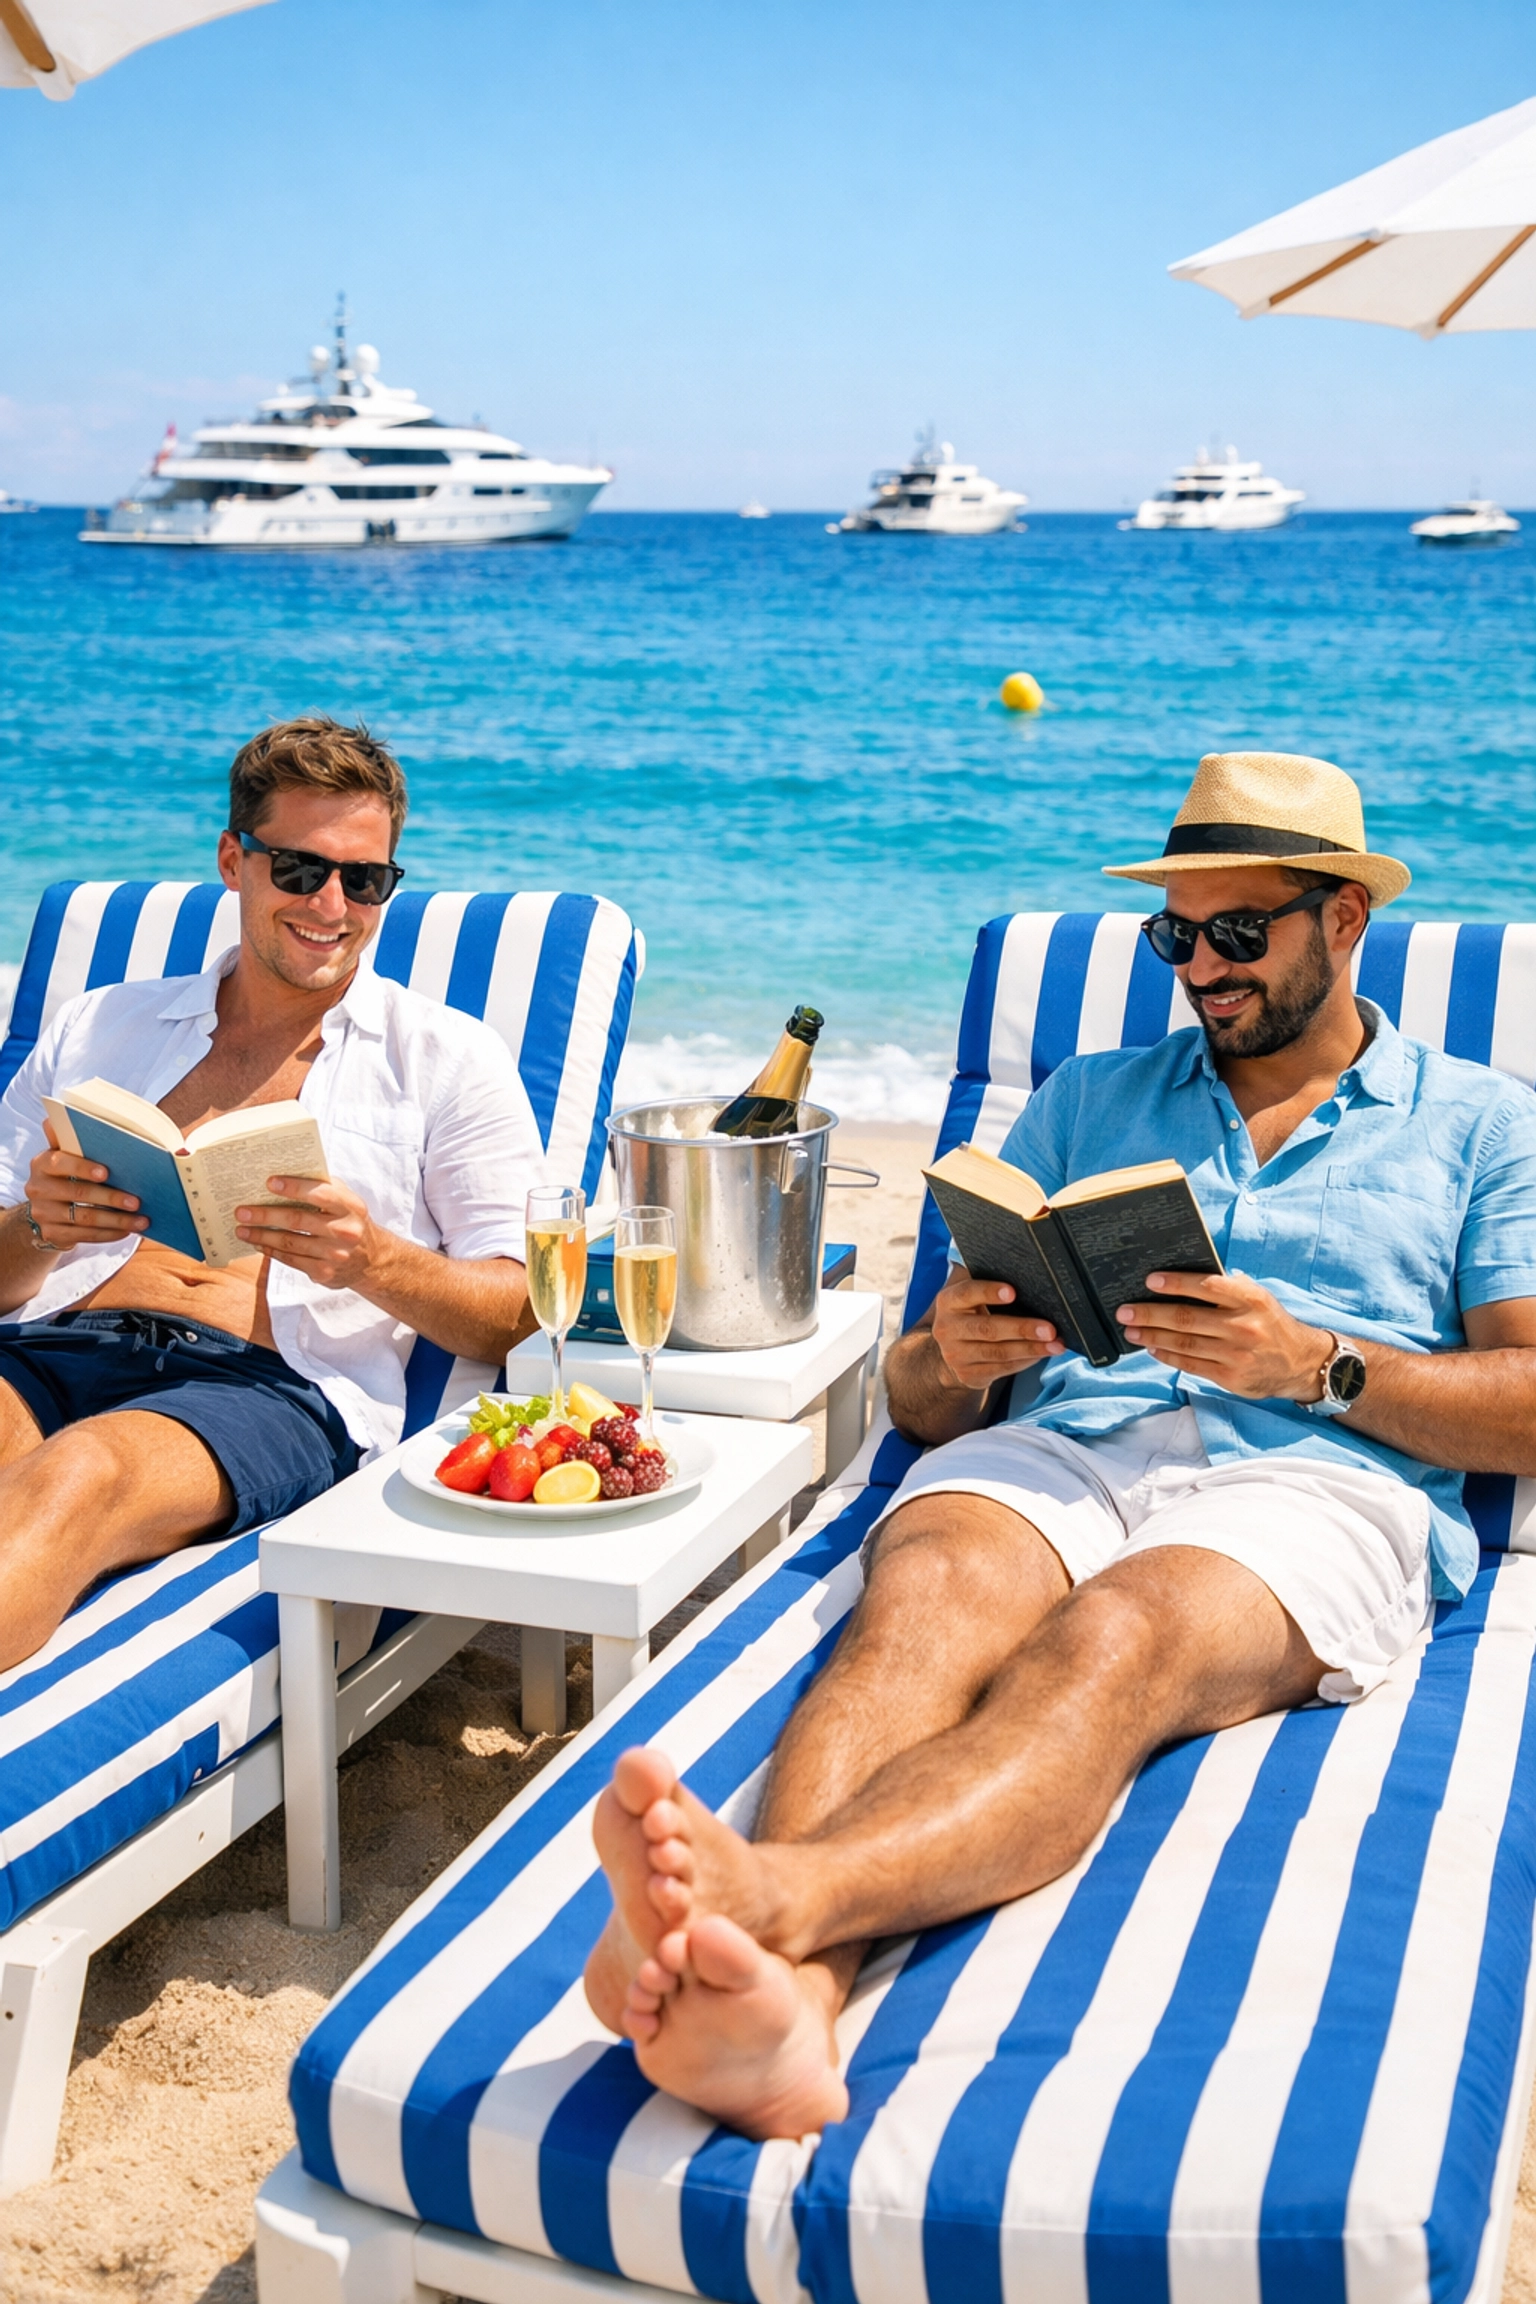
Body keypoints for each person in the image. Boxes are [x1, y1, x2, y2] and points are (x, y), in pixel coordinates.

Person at [582, 749, 1536, 2143]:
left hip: (1319, 1476)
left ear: (1343, 920)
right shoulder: (1091, 1095)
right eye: (1174, 935)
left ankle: (778, 1898)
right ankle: (781, 2002)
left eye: (1237, 931)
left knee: (1116, 1640)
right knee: (922, 1608)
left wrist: (1317, 1366)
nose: (1200, 968)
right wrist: (956, 1358)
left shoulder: (1482, 1121)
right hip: (1071, 1445)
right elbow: (915, 1401)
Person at [0, 717, 543, 1670]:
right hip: (55, 1343)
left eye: (364, 880)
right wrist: (41, 1230)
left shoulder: (448, 1059)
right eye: (298, 869)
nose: (331, 904)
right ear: (233, 859)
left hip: (263, 1388)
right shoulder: (101, 1025)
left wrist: (374, 1260)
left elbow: (519, 1310)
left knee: (78, 1474)